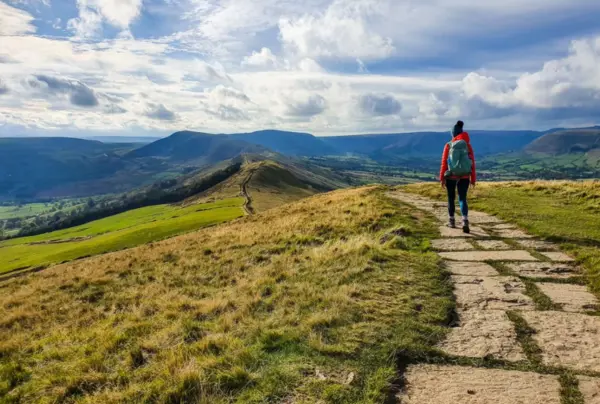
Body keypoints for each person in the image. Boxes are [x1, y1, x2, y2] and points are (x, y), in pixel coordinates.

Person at [439, 120, 476, 233]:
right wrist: (473, 179)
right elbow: (472, 162)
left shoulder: (449, 145)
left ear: (453, 134)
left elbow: (444, 163)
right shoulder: (467, 145)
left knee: (451, 198)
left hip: (451, 176)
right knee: (462, 198)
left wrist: (442, 178)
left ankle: (452, 221)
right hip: (464, 176)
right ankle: (465, 220)